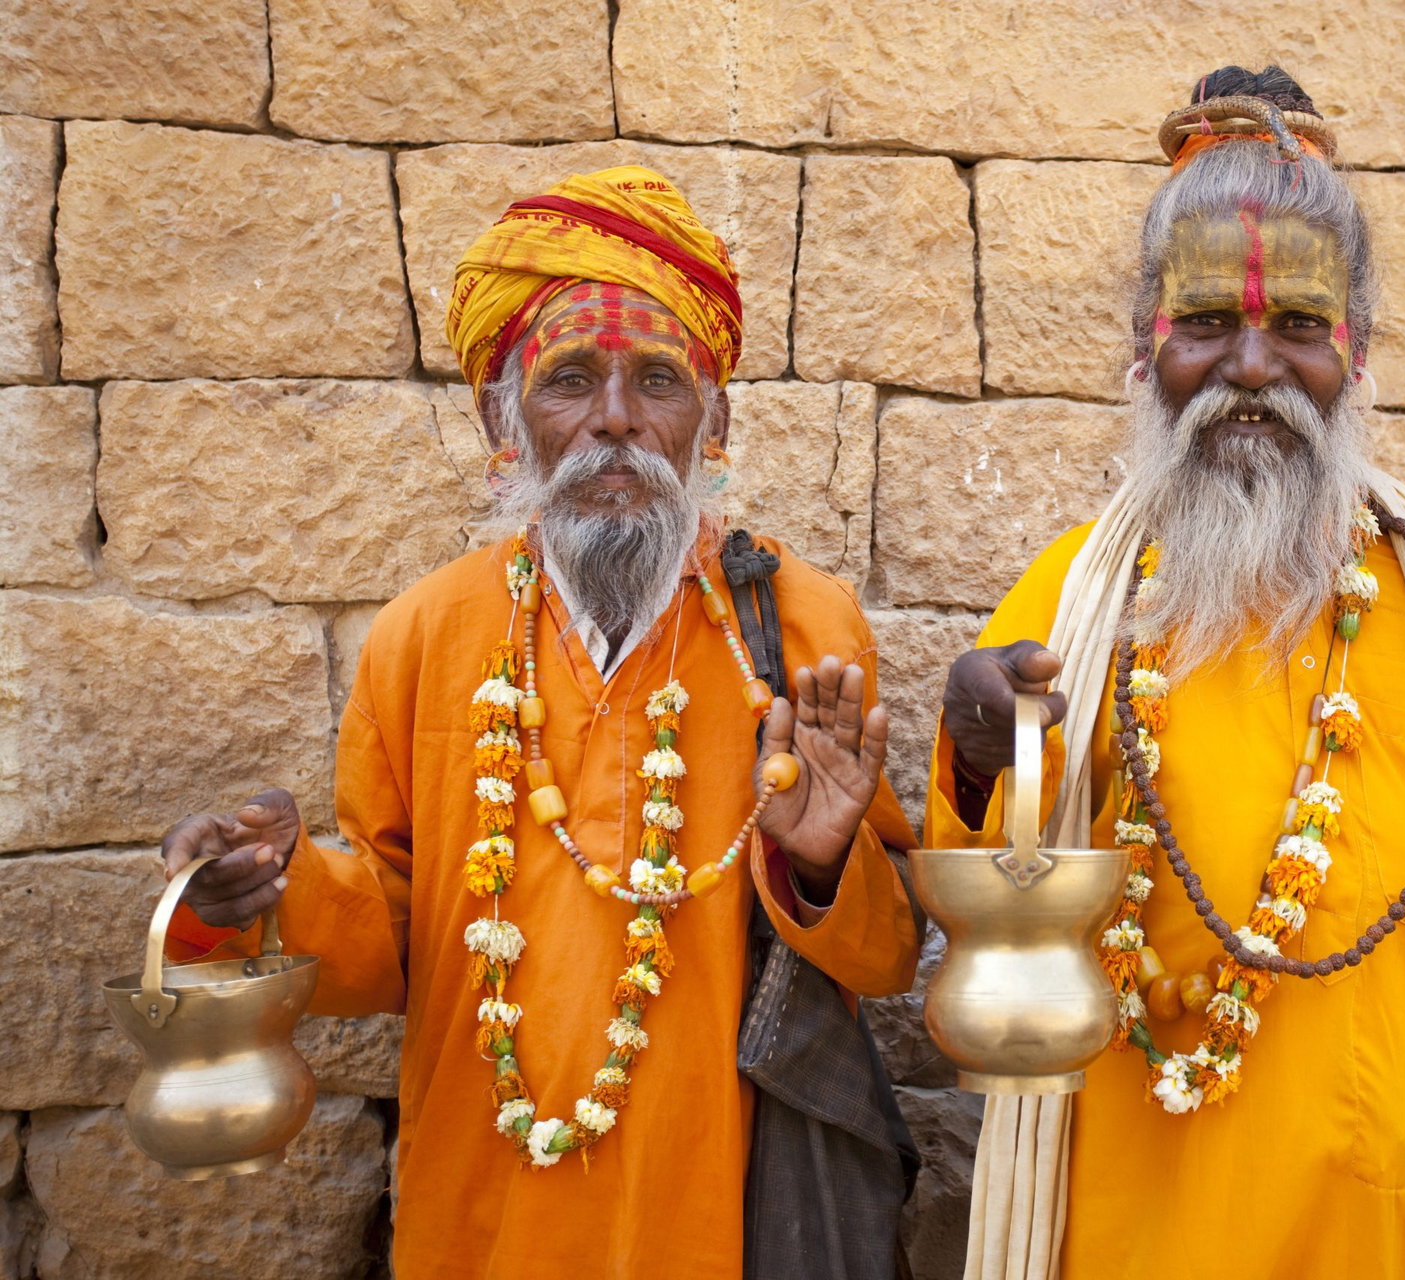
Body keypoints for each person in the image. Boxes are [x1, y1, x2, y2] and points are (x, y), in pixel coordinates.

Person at [928, 67, 1405, 1278]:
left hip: (1402, 1236)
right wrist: (974, 748)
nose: (1255, 367)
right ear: (1144, 349)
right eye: (1209, 320)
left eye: (1302, 326)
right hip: (1141, 1236)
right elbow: (988, 917)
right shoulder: (1072, 596)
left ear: (1359, 352)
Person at [158, 167, 921, 1279]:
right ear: (500, 418)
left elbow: (893, 952)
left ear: (714, 419)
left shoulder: (801, 624)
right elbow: (391, 948)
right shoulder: (424, 635)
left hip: (718, 1209)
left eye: (658, 380)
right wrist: (274, 890)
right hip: (485, 1209)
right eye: (570, 380)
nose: (616, 419)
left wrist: (821, 861)